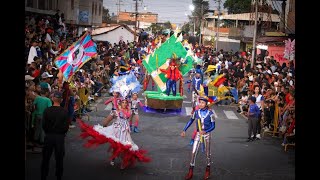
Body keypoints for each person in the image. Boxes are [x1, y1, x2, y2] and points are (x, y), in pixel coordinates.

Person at [180, 96, 216, 180]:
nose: (200, 104)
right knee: (193, 152)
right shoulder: (196, 112)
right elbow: (190, 121)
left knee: (207, 153)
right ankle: (190, 171)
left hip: (207, 135)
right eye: (200, 102)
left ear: (206, 104)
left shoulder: (211, 114)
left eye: (202, 103)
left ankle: (208, 169)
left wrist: (206, 131)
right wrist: (184, 130)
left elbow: (213, 126)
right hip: (198, 134)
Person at [41, 92, 69, 180]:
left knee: (46, 158)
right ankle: (59, 176)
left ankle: (43, 175)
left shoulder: (47, 110)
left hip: (49, 136)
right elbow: (66, 127)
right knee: (59, 158)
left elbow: (44, 125)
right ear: (61, 100)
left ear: (52, 99)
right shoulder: (64, 111)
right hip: (60, 137)